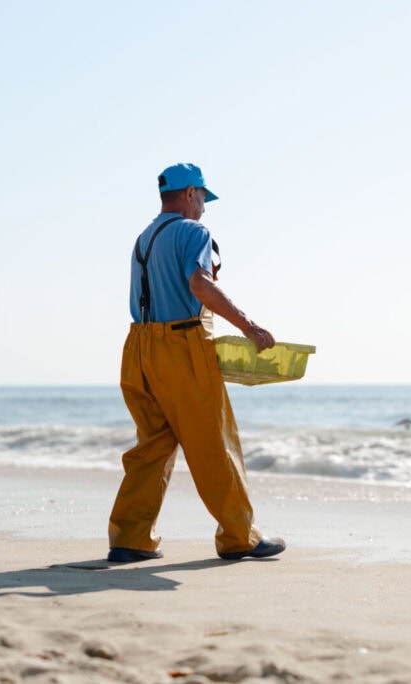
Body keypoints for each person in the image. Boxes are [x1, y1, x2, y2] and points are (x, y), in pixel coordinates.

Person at [106, 162, 286, 563]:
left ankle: (129, 538)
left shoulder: (143, 238)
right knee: (213, 444)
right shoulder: (193, 232)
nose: (204, 207)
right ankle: (240, 536)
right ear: (190, 194)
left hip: (138, 349)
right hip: (181, 345)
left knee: (151, 448)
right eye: (204, 198)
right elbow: (199, 284)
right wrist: (249, 326)